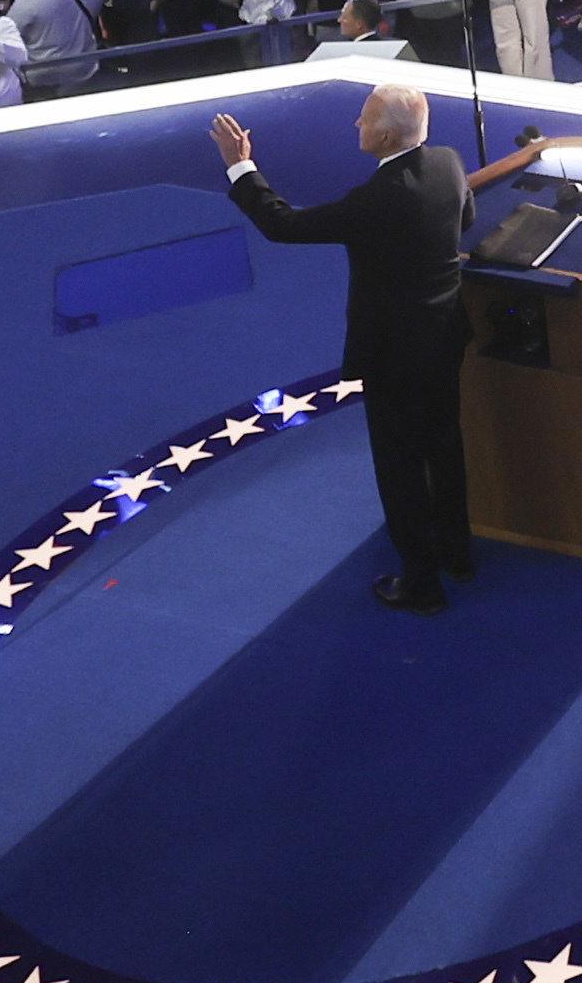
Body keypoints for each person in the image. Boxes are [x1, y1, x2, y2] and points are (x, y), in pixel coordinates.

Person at [211, 85, 547, 611]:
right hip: (444, 335)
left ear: (387, 133)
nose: (355, 125)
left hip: (395, 353)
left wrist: (241, 168)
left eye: (364, 118)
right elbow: (463, 221)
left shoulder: (376, 199)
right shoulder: (448, 162)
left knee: (400, 467)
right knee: (444, 445)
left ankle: (421, 583)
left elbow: (283, 224)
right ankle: (457, 556)